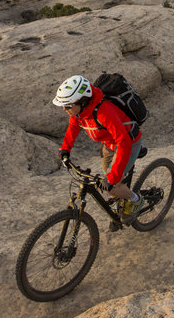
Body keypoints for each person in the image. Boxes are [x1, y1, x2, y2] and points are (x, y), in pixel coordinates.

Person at [53, 75, 145, 225]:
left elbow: (124, 142)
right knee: (107, 178)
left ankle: (136, 200)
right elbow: (73, 127)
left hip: (129, 143)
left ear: (81, 101)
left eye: (68, 105)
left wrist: (113, 178)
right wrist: (65, 148)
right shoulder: (79, 113)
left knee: (112, 187)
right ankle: (121, 197)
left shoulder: (104, 112)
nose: (64, 109)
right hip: (109, 145)